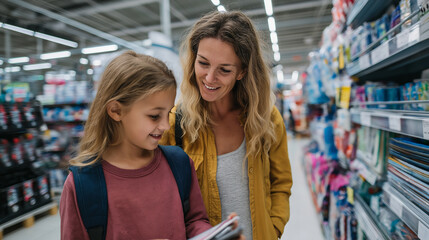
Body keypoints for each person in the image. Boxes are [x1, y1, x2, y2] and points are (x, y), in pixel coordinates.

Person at [160, 11, 293, 240]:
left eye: (224, 69)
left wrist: (273, 229)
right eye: (203, 63)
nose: (210, 78)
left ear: (242, 71)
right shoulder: (176, 124)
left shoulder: (266, 120)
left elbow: (280, 184)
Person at [60, 51, 215, 239]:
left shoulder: (179, 163)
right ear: (116, 110)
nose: (166, 126)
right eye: (154, 116)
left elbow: (194, 221)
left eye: (168, 114)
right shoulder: (81, 184)